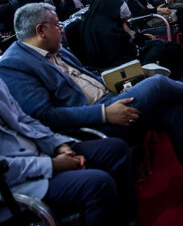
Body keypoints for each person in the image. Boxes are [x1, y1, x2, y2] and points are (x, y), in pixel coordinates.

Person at [0, 3, 183, 200]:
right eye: (56, 25)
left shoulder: (55, 49)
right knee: (156, 84)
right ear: (40, 30)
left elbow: (87, 74)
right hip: (90, 122)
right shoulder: (15, 65)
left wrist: (119, 82)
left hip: (109, 98)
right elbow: (45, 115)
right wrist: (104, 113)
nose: (61, 30)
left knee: (172, 108)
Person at [0, 77, 137, 226]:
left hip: (41, 151)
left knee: (114, 149)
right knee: (98, 184)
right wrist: (52, 165)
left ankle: (125, 220)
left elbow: (24, 120)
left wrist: (59, 145)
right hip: (16, 184)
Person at [78, 0, 183, 83]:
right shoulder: (107, 30)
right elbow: (127, 52)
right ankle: (182, 84)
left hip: (128, 58)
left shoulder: (100, 23)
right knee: (161, 47)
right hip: (122, 68)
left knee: (169, 46)